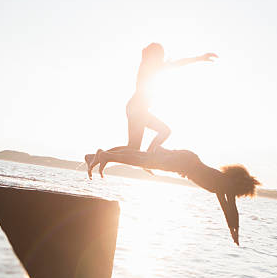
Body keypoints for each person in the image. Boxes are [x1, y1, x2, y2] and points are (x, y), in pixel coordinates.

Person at [86, 43, 217, 178]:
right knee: (139, 144)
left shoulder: (150, 66)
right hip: (137, 109)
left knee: (148, 139)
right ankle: (143, 157)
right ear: (154, 55)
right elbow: (177, 63)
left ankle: (99, 156)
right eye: (160, 54)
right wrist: (199, 58)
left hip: (138, 109)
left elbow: (175, 64)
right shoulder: (148, 66)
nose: (162, 57)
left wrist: (198, 58)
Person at [89, 147, 260, 245]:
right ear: (240, 186)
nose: (238, 195)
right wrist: (234, 231)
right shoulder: (226, 186)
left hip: (186, 159)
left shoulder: (223, 185)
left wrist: (234, 229)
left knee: (144, 158)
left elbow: (228, 207)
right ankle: (106, 156)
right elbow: (230, 209)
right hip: (184, 162)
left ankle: (98, 156)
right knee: (145, 161)